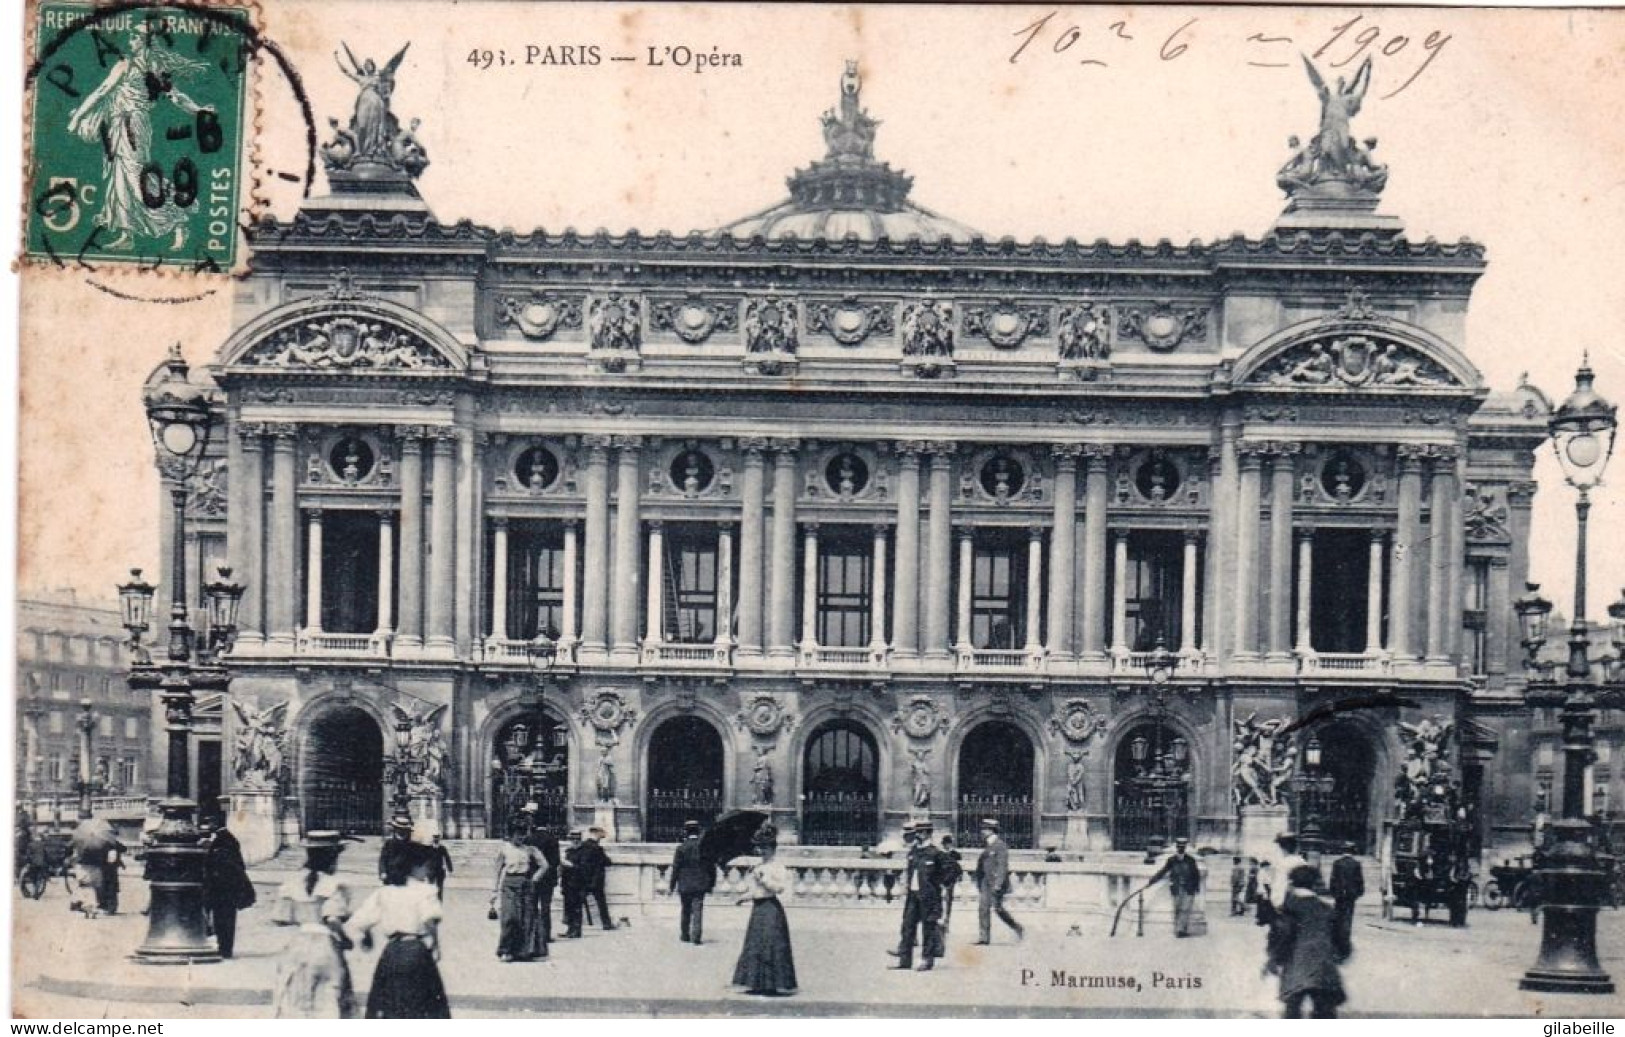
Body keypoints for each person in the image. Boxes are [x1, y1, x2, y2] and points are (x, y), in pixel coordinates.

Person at [349, 843, 450, 1018]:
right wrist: (435, 945)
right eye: (425, 866)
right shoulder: (425, 891)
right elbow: (429, 920)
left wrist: (367, 936)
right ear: (414, 867)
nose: (428, 871)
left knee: (390, 1004)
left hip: (392, 953)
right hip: (416, 952)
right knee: (423, 1005)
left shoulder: (384, 892)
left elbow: (360, 921)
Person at [271, 831, 356, 1019]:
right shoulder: (335, 884)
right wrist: (346, 939)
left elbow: (280, 917)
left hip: (298, 945)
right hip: (325, 946)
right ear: (333, 858)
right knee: (328, 998)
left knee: (297, 997)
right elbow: (332, 918)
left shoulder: (292, 883)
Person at [1267, 864, 1351, 1018]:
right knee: (1325, 1011)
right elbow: (1342, 937)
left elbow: (1281, 935)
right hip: (1323, 967)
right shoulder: (1327, 909)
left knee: (1292, 1010)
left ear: (1291, 884)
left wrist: (1273, 959)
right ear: (1314, 885)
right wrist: (1342, 954)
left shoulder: (1287, 908)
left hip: (1296, 966)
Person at [731, 824, 797, 996]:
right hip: (758, 909)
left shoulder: (777, 867)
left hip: (771, 909)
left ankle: (772, 983)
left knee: (770, 945)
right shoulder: (758, 866)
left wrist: (765, 879)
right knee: (756, 945)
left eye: (765, 848)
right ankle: (756, 982)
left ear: (773, 849)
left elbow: (779, 888)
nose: (762, 851)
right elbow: (755, 891)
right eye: (760, 847)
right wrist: (743, 897)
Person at [888, 821, 947, 971]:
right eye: (917, 833)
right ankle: (904, 960)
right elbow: (910, 872)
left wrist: (937, 886)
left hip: (929, 896)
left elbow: (952, 871)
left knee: (928, 928)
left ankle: (927, 960)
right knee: (907, 926)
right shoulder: (914, 852)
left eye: (921, 833)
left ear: (927, 833)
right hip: (913, 895)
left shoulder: (936, 853)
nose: (917, 836)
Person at [491, 825, 548, 962]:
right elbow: (497, 871)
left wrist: (534, 879)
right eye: (518, 834)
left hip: (526, 886)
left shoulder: (529, 850)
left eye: (523, 834)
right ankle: (506, 950)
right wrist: (494, 890)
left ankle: (523, 951)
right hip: (509, 885)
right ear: (511, 835)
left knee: (527, 919)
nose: (521, 837)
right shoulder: (504, 849)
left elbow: (544, 865)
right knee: (510, 918)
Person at [203, 822, 256, 959]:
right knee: (223, 920)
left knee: (224, 920)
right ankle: (224, 948)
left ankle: (225, 949)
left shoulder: (224, 840)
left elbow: (228, 865)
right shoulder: (225, 839)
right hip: (222, 888)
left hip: (223, 889)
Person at [974, 818, 1023, 946]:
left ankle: (1017, 927)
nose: (982, 831)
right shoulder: (988, 845)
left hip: (995, 882)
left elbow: (1002, 866)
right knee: (983, 908)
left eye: (985, 829)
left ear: (991, 830)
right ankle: (984, 937)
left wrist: (998, 883)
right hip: (986, 882)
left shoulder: (1000, 845)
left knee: (998, 909)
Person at [670, 819, 715, 945]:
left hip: (685, 884)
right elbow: (711, 867)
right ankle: (696, 937)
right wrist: (711, 884)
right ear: (698, 831)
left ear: (686, 832)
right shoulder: (705, 847)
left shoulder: (681, 848)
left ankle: (685, 934)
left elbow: (676, 868)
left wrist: (672, 885)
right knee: (698, 910)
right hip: (700, 884)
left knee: (685, 909)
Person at [1149, 837, 1203, 937]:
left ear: (1185, 848)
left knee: (1185, 909)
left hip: (1188, 888)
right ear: (1177, 848)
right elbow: (1163, 871)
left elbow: (1196, 874)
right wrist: (1153, 880)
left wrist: (1197, 887)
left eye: (1182, 847)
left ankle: (1181, 930)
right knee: (1177, 909)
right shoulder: (1172, 860)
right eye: (1179, 847)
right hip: (1177, 888)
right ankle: (1179, 929)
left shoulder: (1191, 860)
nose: (1181, 849)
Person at [524, 814, 562, 944]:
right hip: (548, 878)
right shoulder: (552, 839)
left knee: (532, 906)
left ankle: (533, 935)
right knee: (546, 906)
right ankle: (546, 935)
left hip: (533, 877)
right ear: (547, 825)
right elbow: (556, 861)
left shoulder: (529, 839)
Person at [577, 827, 614, 931]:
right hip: (596, 880)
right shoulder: (597, 848)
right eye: (601, 834)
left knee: (578, 903)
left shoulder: (582, 846)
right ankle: (606, 924)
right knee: (601, 903)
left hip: (583, 879)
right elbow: (607, 862)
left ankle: (575, 926)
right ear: (597, 834)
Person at [1328, 843, 1365, 945]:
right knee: (1348, 915)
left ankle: (1337, 937)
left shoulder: (1337, 863)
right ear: (1353, 851)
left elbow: (1333, 879)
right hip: (1351, 894)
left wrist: (1333, 892)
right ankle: (1346, 936)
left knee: (1338, 914)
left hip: (1339, 894)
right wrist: (1359, 892)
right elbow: (1359, 880)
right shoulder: (1356, 864)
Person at [560, 830, 587, 938]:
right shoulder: (568, 851)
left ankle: (576, 930)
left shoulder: (583, 852)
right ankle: (570, 929)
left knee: (577, 907)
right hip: (567, 883)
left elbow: (584, 868)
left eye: (577, 839)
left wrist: (571, 865)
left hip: (579, 883)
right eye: (573, 839)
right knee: (568, 907)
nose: (575, 841)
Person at [379, 813, 415, 884]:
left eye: (405, 830)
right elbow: (383, 859)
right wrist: (383, 872)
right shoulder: (389, 843)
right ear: (395, 829)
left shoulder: (410, 845)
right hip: (390, 876)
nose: (402, 831)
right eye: (399, 829)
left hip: (405, 877)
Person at [939, 834, 964, 927]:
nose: (947, 845)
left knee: (948, 900)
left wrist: (956, 878)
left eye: (949, 843)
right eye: (946, 844)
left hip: (950, 881)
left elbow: (958, 868)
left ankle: (947, 920)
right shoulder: (940, 854)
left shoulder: (956, 854)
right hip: (941, 881)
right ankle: (941, 919)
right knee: (940, 900)